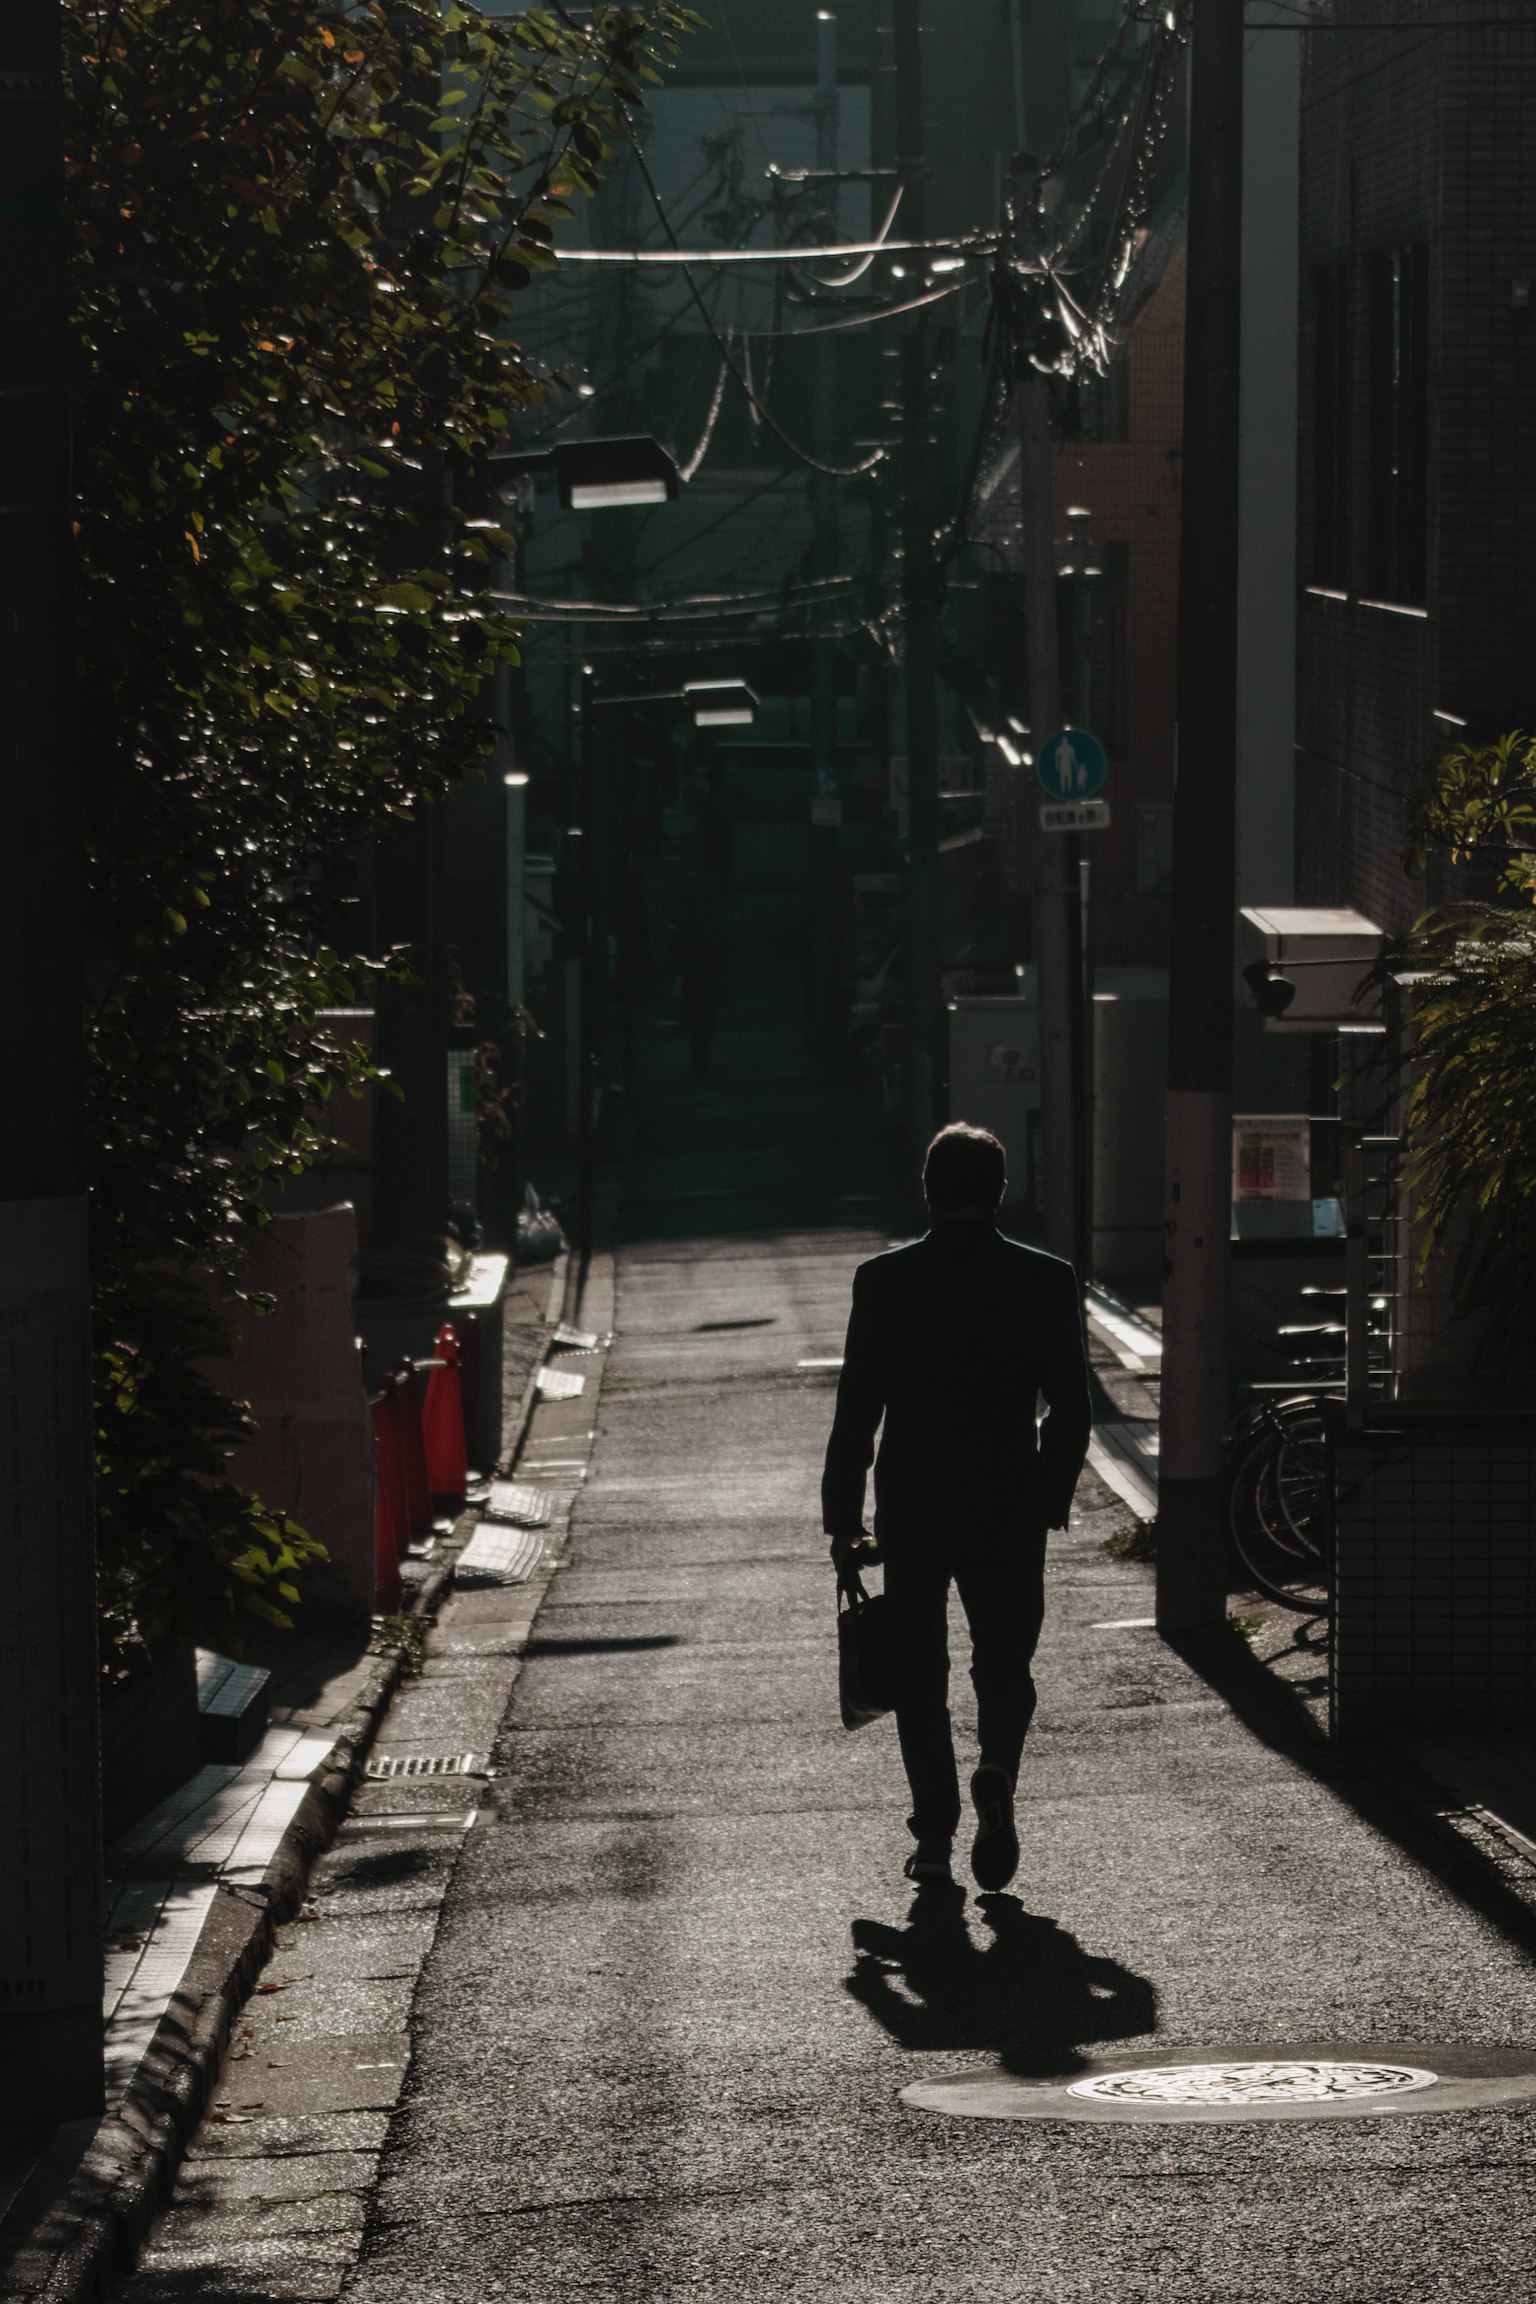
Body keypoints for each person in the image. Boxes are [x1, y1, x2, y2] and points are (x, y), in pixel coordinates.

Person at [821, 1122, 1092, 1892]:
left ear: (927, 1189)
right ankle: (997, 1767)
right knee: (1003, 1662)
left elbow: (857, 1412)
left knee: (920, 1673)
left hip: (914, 1501)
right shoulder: (1044, 1279)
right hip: (1008, 1499)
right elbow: (1071, 1407)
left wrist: (844, 1520)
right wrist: (1049, 1494)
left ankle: (935, 1837)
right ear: (1001, 1190)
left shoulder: (884, 1280)